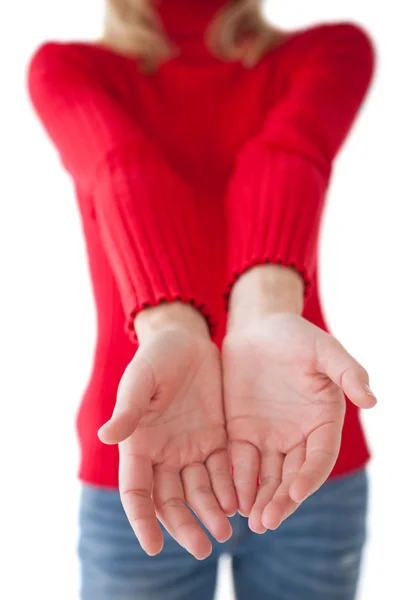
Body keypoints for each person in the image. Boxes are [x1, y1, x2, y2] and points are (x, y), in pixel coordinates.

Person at [26, 1, 377, 598]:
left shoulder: (328, 52)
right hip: (148, 449)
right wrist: (172, 328)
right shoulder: (70, 68)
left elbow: (285, 159)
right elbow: (125, 172)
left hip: (299, 456)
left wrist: (264, 310)